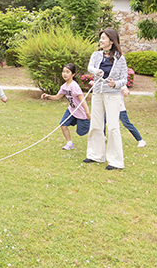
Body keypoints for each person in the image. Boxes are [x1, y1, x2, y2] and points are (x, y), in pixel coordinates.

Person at [86, 29, 128, 170]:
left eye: (103, 38)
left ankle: (116, 161)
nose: (101, 41)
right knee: (96, 124)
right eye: (100, 38)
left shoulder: (120, 58)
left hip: (113, 95)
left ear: (111, 41)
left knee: (112, 126)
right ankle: (95, 155)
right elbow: (90, 67)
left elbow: (124, 78)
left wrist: (115, 84)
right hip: (98, 92)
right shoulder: (96, 55)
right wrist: (95, 71)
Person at [41, 63, 90, 150]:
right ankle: (69, 143)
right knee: (63, 124)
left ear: (73, 74)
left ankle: (98, 133)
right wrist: (48, 96)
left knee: (82, 132)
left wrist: (87, 112)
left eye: (68, 72)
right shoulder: (64, 86)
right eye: (63, 71)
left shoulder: (74, 86)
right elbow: (57, 97)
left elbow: (83, 99)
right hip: (71, 110)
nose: (65, 74)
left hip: (81, 113)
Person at [89, 81, 147, 148]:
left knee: (127, 124)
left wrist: (126, 92)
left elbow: (125, 89)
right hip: (109, 108)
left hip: (120, 109)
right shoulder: (108, 83)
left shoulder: (120, 83)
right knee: (103, 121)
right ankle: (103, 137)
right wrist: (94, 83)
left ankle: (141, 140)